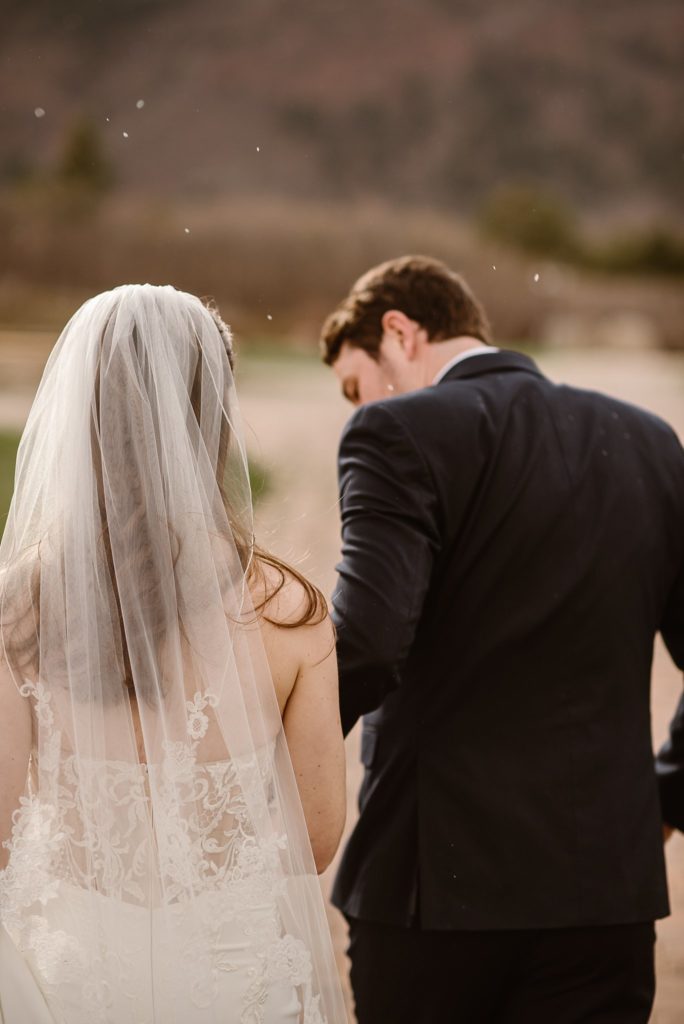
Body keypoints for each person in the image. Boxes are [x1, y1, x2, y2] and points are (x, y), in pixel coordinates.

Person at [320, 254, 684, 1024]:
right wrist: (667, 794)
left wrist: (273, 765)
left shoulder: (394, 432)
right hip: (604, 896)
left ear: (399, 331)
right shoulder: (649, 442)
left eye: (357, 383)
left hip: (435, 892)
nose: (360, 403)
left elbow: (367, 644)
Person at [0, 285, 348, 1024]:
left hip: (70, 976)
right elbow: (315, 836)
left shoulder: (14, 609)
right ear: (212, 412)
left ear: (80, 412)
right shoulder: (291, 611)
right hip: (231, 976)